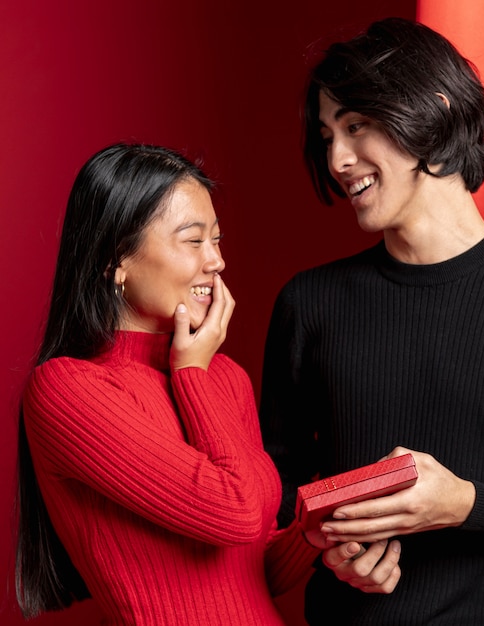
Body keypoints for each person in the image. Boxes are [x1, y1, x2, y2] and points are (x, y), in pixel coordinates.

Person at [259, 17, 484, 625]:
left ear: (433, 113)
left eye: (356, 126)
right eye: (327, 136)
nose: (338, 159)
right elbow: (271, 505)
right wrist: (325, 553)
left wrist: (462, 504)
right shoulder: (309, 303)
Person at [14, 143, 396, 626]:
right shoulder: (67, 391)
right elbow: (234, 510)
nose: (215, 261)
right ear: (116, 260)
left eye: (217, 240)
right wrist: (192, 373)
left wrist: (310, 531)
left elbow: (251, 567)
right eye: (194, 241)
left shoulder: (226, 378)